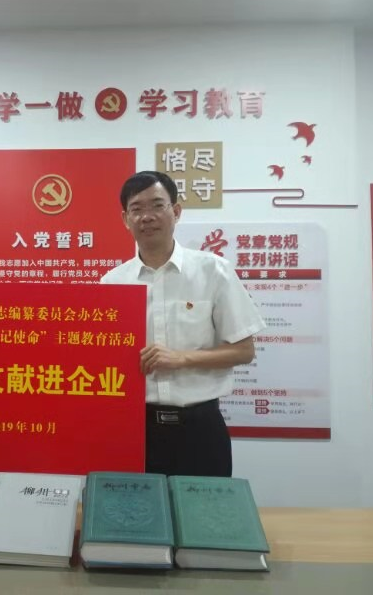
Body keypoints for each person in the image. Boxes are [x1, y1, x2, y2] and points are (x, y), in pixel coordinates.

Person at [101, 171, 266, 477]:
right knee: (138, 507)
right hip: (135, 428)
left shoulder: (213, 271)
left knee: (204, 508)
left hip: (200, 430)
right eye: (137, 209)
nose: (147, 217)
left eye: (157, 205)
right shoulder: (112, 283)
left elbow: (244, 351)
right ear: (125, 219)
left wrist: (181, 358)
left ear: (176, 211)